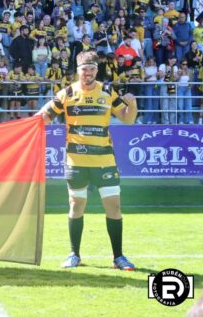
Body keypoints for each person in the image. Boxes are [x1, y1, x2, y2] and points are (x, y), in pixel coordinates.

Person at [37, 50, 138, 270]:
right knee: (76, 206)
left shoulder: (109, 92)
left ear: (96, 70)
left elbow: (128, 119)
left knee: (114, 206)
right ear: (78, 71)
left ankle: (118, 257)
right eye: (84, 69)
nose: (88, 73)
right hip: (76, 162)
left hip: (104, 161)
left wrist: (133, 104)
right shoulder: (67, 93)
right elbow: (43, 117)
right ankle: (74, 255)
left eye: (92, 69)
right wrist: (27, 125)